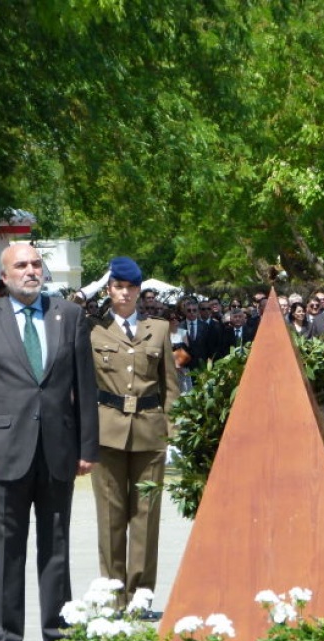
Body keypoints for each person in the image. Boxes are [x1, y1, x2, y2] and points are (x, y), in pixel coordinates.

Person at [0, 242, 98, 641]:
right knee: (8, 549)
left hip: (58, 450)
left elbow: (85, 389)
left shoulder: (68, 316)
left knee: (56, 547)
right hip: (4, 452)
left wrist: (87, 448)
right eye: (21, 265)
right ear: (4, 275)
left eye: (37, 264)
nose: (31, 271)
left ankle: (59, 640)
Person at [87, 257, 179, 612]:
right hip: (106, 430)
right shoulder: (93, 328)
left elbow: (170, 385)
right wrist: (88, 290)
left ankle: (141, 593)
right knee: (110, 517)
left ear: (140, 290)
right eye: (117, 287)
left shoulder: (157, 329)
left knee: (145, 516)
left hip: (149, 429)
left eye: (130, 288)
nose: (124, 294)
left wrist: (172, 432)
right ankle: (113, 592)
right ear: (108, 289)